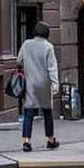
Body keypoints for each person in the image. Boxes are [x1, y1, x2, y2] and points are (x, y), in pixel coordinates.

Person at [17, 22, 59, 153]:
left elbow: (19, 60)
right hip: (45, 83)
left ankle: (26, 141)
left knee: (28, 112)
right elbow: (52, 67)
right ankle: (50, 139)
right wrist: (55, 83)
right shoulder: (48, 47)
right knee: (47, 112)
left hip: (30, 82)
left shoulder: (26, 44)